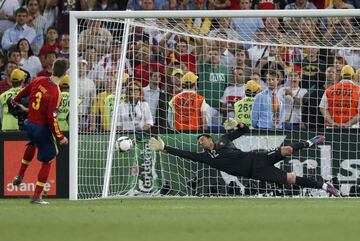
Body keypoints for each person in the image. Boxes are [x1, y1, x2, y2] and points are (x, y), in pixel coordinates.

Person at [148, 118, 341, 197]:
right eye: (199, 142)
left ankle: (310, 142)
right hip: (256, 171)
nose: (200, 143)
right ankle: (325, 186)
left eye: (202, 140)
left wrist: (237, 123)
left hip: (259, 158)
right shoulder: (206, 158)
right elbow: (186, 155)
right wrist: (165, 148)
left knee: (286, 150)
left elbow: (245, 130)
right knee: (290, 179)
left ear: (210, 138)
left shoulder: (223, 140)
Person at [11, 59, 69, 205]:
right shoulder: (56, 92)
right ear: (65, 73)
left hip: (29, 123)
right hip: (41, 127)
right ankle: (37, 196)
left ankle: (20, 175)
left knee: (32, 144)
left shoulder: (39, 80)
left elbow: (27, 89)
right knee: (49, 158)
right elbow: (52, 118)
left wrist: (16, 99)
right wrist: (60, 136)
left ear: (53, 67)